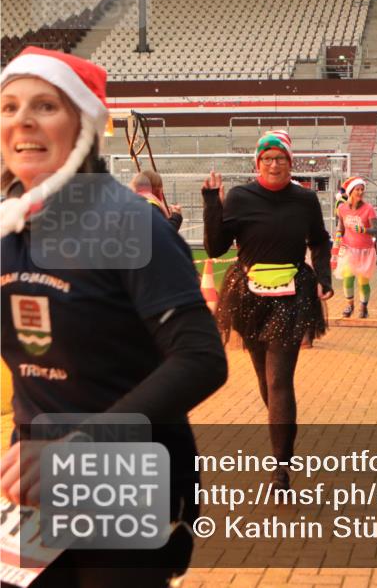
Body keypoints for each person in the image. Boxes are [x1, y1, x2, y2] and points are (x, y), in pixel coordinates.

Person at [1, 47, 227, 586]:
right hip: (31, 479)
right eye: (8, 106)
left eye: (45, 106)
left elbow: (200, 358)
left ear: (84, 123)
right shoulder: (8, 225)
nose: (22, 120)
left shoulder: (129, 224)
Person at [202, 130, 332, 489]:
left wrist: (323, 276)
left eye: (281, 158)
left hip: (292, 296)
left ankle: (281, 466)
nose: (274, 164)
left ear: (291, 163)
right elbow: (215, 245)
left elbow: (320, 240)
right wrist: (212, 202)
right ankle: (281, 436)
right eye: (267, 159)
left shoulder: (305, 199)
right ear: (258, 163)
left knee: (279, 379)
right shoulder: (241, 197)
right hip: (249, 296)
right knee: (264, 379)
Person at [335, 176, 377, 319]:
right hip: (348, 248)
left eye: (362, 189)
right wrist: (337, 235)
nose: (360, 192)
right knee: (347, 278)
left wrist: (364, 230)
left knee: (362, 281)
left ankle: (363, 307)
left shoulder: (369, 209)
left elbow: (376, 229)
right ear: (350, 191)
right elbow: (341, 226)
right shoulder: (342, 208)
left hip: (365, 250)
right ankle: (350, 305)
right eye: (357, 190)